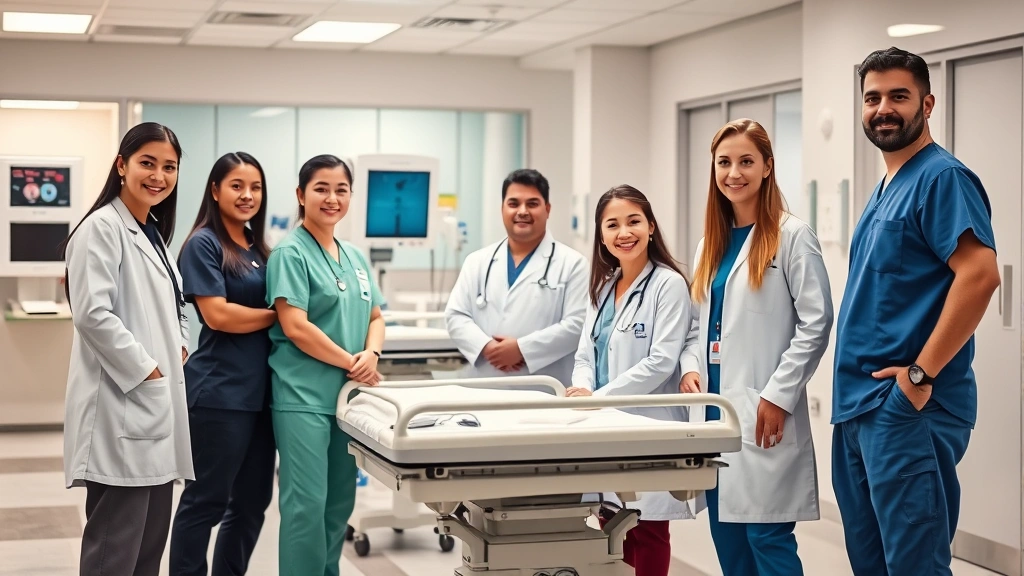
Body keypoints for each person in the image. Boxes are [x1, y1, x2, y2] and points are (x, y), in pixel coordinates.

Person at [832, 47, 1000, 576]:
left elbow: (980, 275)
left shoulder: (941, 178)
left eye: (898, 96)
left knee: (914, 566)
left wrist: (919, 377)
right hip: (860, 406)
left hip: (906, 410)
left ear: (927, 104)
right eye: (872, 97)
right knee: (872, 564)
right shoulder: (886, 185)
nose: (884, 108)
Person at [677, 119, 833, 576]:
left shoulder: (792, 236)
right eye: (724, 162)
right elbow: (696, 325)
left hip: (763, 408)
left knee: (767, 538)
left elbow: (816, 323)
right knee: (729, 543)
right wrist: (690, 366)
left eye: (746, 161)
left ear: (767, 166)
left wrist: (777, 394)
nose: (734, 172)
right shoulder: (712, 243)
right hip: (714, 410)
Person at [62, 122, 192, 576]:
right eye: (147, 163)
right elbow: (92, 315)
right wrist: (148, 371)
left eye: (169, 167)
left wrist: (179, 345)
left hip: (153, 411)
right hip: (123, 408)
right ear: (122, 166)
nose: (158, 175)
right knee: (113, 554)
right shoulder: (100, 228)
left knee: (147, 551)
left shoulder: (153, 233)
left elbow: (175, 304)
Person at [265, 154, 386, 576]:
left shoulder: (354, 256)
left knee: (339, 503)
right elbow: (295, 326)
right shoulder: (289, 253)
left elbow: (375, 316)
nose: (331, 198)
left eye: (341, 189)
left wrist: (372, 355)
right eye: (321, 188)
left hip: (349, 400)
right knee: (306, 505)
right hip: (303, 397)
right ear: (301, 195)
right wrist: (353, 361)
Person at [566, 185, 694, 576]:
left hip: (646, 423)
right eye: (613, 224)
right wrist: (584, 389)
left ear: (651, 226)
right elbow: (585, 353)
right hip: (602, 424)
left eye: (634, 221)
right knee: (611, 525)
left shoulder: (668, 284)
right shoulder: (603, 287)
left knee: (649, 528)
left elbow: (661, 361)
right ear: (601, 235)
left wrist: (598, 398)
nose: (625, 232)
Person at [169, 152, 277, 575]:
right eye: (236, 185)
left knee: (252, 504)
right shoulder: (204, 243)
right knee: (206, 502)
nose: (247, 195)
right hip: (220, 394)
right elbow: (218, 315)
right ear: (215, 190)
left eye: (255, 187)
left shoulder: (259, 247)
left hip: (261, 397)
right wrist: (281, 316)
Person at [445, 168, 588, 387]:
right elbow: (456, 315)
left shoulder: (574, 264)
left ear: (547, 209)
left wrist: (522, 349)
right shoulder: (477, 261)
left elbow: (578, 325)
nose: (522, 211)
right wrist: (487, 347)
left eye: (532, 204)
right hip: (484, 385)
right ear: (502, 208)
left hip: (545, 389)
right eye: (513, 204)